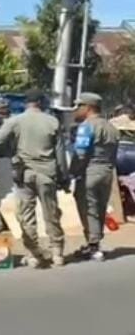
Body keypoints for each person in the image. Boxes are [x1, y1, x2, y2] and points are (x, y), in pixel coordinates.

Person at [0, 89, 68, 268]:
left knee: (26, 215)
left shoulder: (15, 121)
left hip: (23, 173)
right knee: (51, 213)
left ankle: (33, 253)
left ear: (26, 102)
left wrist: (13, 150)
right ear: (41, 102)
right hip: (47, 173)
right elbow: (60, 153)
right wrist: (63, 176)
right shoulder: (52, 121)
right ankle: (57, 252)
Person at [71, 92, 119, 262]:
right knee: (100, 208)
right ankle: (95, 242)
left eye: (79, 106)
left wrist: (72, 172)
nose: (76, 110)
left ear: (89, 108)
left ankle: (93, 245)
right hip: (107, 172)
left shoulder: (86, 126)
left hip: (90, 171)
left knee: (88, 207)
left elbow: (80, 153)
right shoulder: (111, 127)